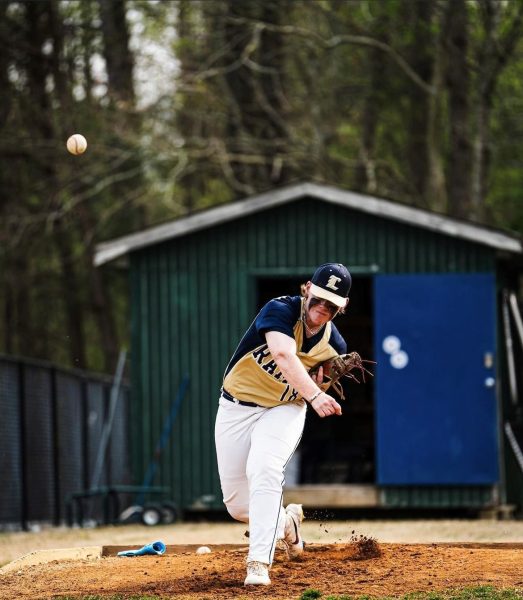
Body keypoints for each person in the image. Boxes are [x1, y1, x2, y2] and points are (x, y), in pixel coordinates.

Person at [214, 263, 351, 586]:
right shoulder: (280, 309)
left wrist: (323, 386)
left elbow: (322, 381)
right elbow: (282, 354)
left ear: (342, 307)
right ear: (307, 289)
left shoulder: (336, 346)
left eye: (331, 304)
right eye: (318, 298)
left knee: (265, 470)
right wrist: (317, 395)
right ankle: (288, 523)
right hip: (236, 406)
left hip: (284, 409)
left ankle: (258, 563)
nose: (322, 307)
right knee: (237, 505)